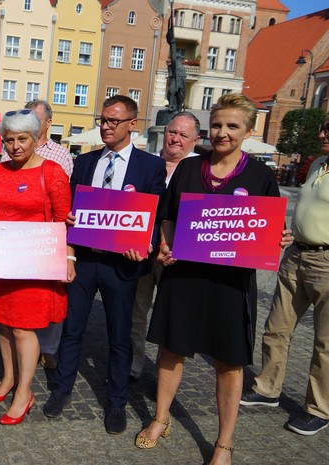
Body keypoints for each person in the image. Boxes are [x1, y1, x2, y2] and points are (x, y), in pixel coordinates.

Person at [136, 93, 289, 463]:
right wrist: (165, 243)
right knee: (171, 349)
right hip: (184, 276)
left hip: (230, 284)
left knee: (229, 361)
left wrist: (278, 236)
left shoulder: (260, 176)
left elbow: (269, 226)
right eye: (217, 125)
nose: (222, 133)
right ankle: (161, 417)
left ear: (248, 131)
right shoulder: (189, 169)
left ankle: (224, 442)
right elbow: (168, 216)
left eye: (232, 126)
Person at [43, 95, 166, 435]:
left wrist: (146, 242)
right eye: (103, 120)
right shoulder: (85, 162)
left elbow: (155, 214)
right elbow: (70, 206)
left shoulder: (149, 166)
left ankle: (116, 403)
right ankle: (62, 389)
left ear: (132, 124)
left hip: (121, 265)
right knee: (72, 329)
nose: (106, 126)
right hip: (84, 259)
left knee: (119, 336)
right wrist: (69, 219)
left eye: (114, 121)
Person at [0, 109, 74, 425]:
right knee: (4, 323)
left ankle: (24, 392)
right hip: (7, 260)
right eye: (9, 140)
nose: (15, 146)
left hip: (35, 263)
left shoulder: (52, 171)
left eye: (22, 139)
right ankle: (9, 378)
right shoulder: (0, 170)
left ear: (35, 139)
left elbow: (64, 220)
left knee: (23, 327)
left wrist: (69, 258)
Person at [240, 117, 329, 436]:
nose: (322, 133)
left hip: (326, 261)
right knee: (277, 327)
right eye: (324, 127)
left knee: (325, 342)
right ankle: (267, 388)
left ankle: (319, 408)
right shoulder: (318, 164)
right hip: (296, 255)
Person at [130, 111, 201, 381]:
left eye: (183, 135)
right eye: (172, 132)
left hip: (178, 255)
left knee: (171, 316)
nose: (175, 139)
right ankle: (133, 365)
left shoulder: (199, 171)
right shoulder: (147, 163)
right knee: (136, 311)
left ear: (195, 140)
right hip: (142, 250)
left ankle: (164, 375)